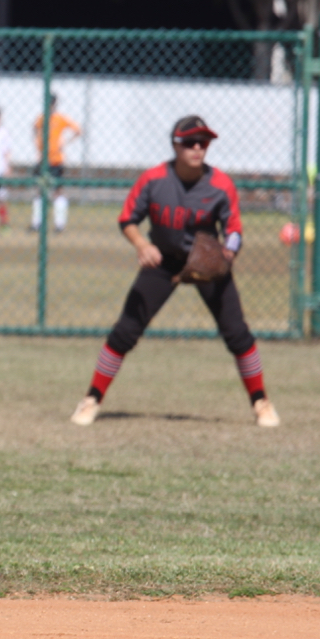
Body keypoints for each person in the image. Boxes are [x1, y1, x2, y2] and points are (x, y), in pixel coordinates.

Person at [70, 116, 280, 428]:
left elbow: (234, 229)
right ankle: (91, 399)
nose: (197, 148)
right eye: (190, 142)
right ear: (175, 144)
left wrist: (229, 251)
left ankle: (261, 402)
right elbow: (127, 219)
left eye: (203, 142)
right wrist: (142, 245)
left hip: (206, 263)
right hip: (164, 261)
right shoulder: (154, 180)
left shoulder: (221, 185)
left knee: (237, 333)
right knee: (125, 331)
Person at [30, 94, 81, 233]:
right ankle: (37, 223)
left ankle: (59, 224)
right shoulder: (41, 118)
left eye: (51, 103)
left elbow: (78, 130)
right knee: (40, 191)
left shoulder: (60, 118)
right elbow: (34, 129)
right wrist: (38, 145)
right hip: (43, 161)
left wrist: (65, 143)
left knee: (57, 192)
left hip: (56, 160)